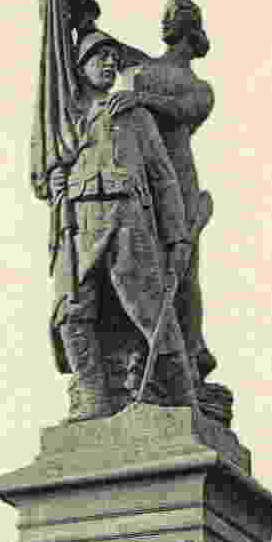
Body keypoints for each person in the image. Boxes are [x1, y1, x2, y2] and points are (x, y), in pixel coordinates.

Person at [46, 31, 194, 420]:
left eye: (113, 57)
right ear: (80, 69)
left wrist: (178, 238)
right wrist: (56, 183)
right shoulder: (65, 123)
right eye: (99, 58)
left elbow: (163, 178)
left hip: (129, 221)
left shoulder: (134, 116)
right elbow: (52, 170)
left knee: (150, 307)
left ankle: (182, 397)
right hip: (79, 226)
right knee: (72, 310)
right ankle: (94, 397)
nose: (109, 64)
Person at [109, 0, 217, 380]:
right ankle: (144, 351)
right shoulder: (142, 64)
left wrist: (140, 97)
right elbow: (97, 41)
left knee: (182, 270)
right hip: (140, 175)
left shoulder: (200, 87)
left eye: (176, 17)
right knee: (141, 262)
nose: (165, 22)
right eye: (166, 15)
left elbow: (186, 111)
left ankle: (191, 352)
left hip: (180, 181)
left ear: (191, 30)